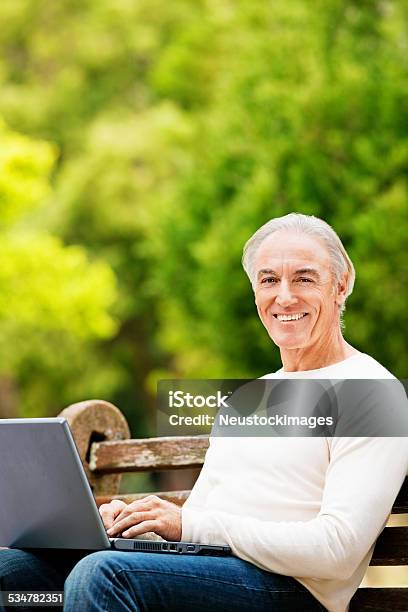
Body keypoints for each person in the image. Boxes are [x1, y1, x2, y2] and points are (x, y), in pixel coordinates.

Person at [0, 213, 407, 612]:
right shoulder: (250, 399)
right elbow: (199, 523)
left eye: (303, 278)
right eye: (269, 280)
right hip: (210, 574)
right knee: (11, 573)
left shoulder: (373, 394)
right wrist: (140, 524)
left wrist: (186, 525)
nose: (284, 296)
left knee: (104, 575)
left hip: (294, 592)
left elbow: (335, 551)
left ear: (341, 284)